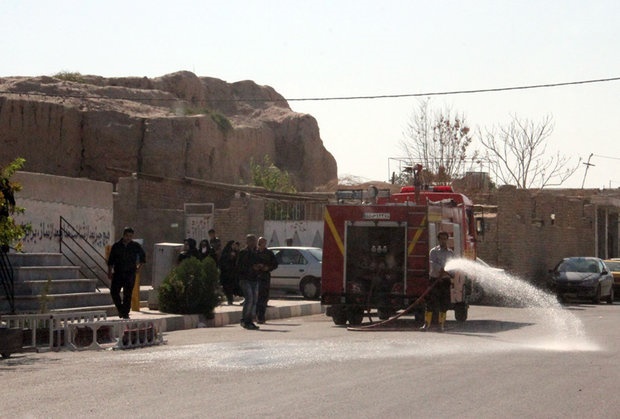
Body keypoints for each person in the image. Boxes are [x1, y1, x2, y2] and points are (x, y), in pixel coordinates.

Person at [107, 227, 146, 319]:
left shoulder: (135, 246)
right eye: (127, 236)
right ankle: (121, 309)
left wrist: (139, 268)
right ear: (124, 235)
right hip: (118, 273)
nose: (128, 238)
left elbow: (143, 257)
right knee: (114, 292)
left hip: (130, 273)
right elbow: (111, 261)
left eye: (130, 236)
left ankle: (125, 314)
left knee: (127, 294)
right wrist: (109, 272)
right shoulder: (116, 246)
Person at [422, 231, 454, 332]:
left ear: (447, 240)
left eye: (445, 239)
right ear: (438, 239)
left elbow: (452, 269)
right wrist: (442, 269)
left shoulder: (450, 253)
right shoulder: (433, 252)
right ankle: (426, 324)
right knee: (430, 303)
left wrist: (447, 272)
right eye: (441, 239)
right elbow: (433, 264)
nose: (443, 241)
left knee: (444, 304)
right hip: (434, 280)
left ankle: (441, 325)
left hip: (445, 281)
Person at [236, 234, 260, 330]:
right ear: (247, 242)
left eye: (254, 240)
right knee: (249, 299)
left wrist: (259, 267)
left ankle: (249, 320)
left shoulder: (255, 252)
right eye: (251, 240)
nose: (253, 242)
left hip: (254, 279)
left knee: (254, 300)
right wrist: (251, 268)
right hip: (245, 279)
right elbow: (239, 266)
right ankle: (245, 320)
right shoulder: (243, 252)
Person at [254, 237, 278, 324]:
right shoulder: (254, 252)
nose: (260, 244)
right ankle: (256, 315)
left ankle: (261, 316)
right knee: (256, 297)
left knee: (263, 297)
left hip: (265, 276)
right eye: (259, 242)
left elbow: (275, 264)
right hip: (256, 276)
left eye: (262, 242)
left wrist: (268, 268)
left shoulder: (269, 253)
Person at [218, 240, 240, 305]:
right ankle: (229, 299)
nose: (234, 246)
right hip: (226, 273)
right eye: (233, 245)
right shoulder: (225, 252)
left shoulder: (236, 252)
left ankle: (231, 299)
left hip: (233, 273)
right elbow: (222, 262)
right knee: (227, 287)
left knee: (232, 287)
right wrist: (229, 257)